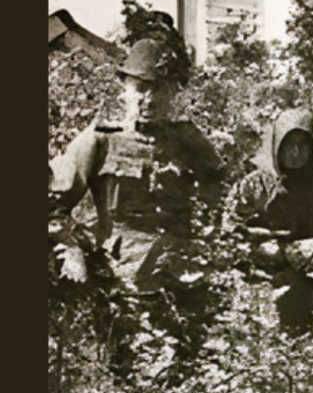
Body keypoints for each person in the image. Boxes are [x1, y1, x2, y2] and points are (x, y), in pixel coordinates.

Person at [49, 36, 223, 357]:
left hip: (184, 281)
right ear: (124, 89)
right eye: (140, 87)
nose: (149, 98)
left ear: (173, 93)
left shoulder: (189, 142)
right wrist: (70, 249)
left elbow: (224, 197)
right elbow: (50, 205)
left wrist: (210, 244)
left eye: (159, 88)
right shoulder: (100, 140)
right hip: (122, 282)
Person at [224, 108, 313, 329]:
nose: (297, 151)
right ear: (277, 145)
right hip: (266, 277)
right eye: (289, 144)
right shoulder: (256, 185)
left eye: (304, 144)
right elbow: (230, 230)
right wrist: (263, 245)